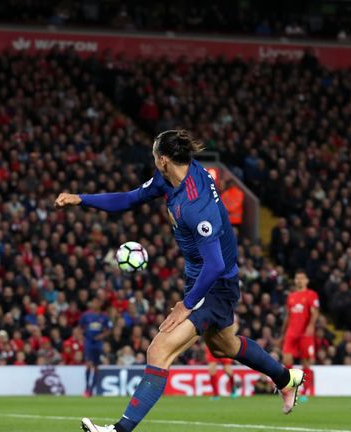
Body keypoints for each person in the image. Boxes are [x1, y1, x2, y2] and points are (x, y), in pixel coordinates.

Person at [55, 129, 304, 432]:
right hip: (201, 278)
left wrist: (185, 306)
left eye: (153, 155)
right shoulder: (170, 179)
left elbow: (215, 264)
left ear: (162, 160)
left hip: (215, 283)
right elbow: (130, 198)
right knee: (224, 346)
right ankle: (286, 378)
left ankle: (119, 430)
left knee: (159, 350)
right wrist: (81, 199)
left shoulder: (197, 205)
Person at [281, 270, 320, 397]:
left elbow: (315, 312)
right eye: (297, 278)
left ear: (306, 280)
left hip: (305, 333)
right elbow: (288, 315)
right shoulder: (291, 296)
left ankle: (306, 391)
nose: (299, 280)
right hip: (291, 332)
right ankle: (291, 388)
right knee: (287, 359)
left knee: (305, 362)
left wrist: (311, 326)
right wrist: (282, 333)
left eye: (302, 278)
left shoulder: (311, 294)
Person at [79, 297, 112, 396]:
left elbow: (108, 329)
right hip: (89, 342)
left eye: (97, 302)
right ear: (91, 303)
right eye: (94, 302)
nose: (95, 304)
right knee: (88, 365)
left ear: (100, 304)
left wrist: (102, 335)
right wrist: (82, 337)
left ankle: (91, 390)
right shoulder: (86, 315)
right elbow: (80, 328)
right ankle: (87, 388)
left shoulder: (104, 316)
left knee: (96, 367)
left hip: (98, 344)